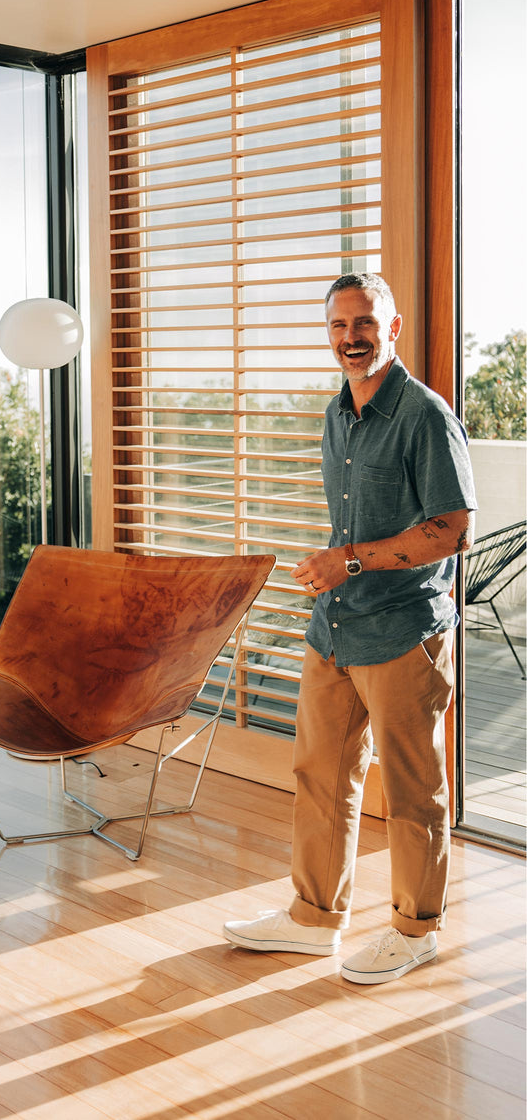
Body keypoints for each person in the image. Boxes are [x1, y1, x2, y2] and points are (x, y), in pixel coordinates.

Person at [223, 272, 478, 984]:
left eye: (364, 323)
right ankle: (313, 918)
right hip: (335, 629)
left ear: (391, 329)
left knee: (413, 787)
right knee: (320, 776)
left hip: (404, 633)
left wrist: (352, 561)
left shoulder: (424, 417)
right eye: (338, 326)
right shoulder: (337, 415)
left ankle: (415, 929)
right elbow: (354, 524)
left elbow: (454, 528)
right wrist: (336, 568)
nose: (350, 338)